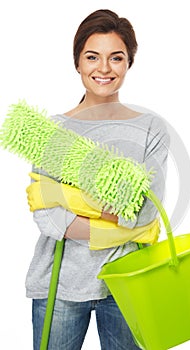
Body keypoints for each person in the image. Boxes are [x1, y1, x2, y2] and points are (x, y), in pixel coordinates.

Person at [25, 9, 169, 350]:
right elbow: (47, 218)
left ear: (128, 63)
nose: (104, 69)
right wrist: (122, 220)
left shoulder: (150, 128)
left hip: (129, 285)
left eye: (115, 58)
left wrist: (70, 198)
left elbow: (148, 211)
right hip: (58, 285)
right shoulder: (52, 131)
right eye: (92, 57)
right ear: (77, 62)